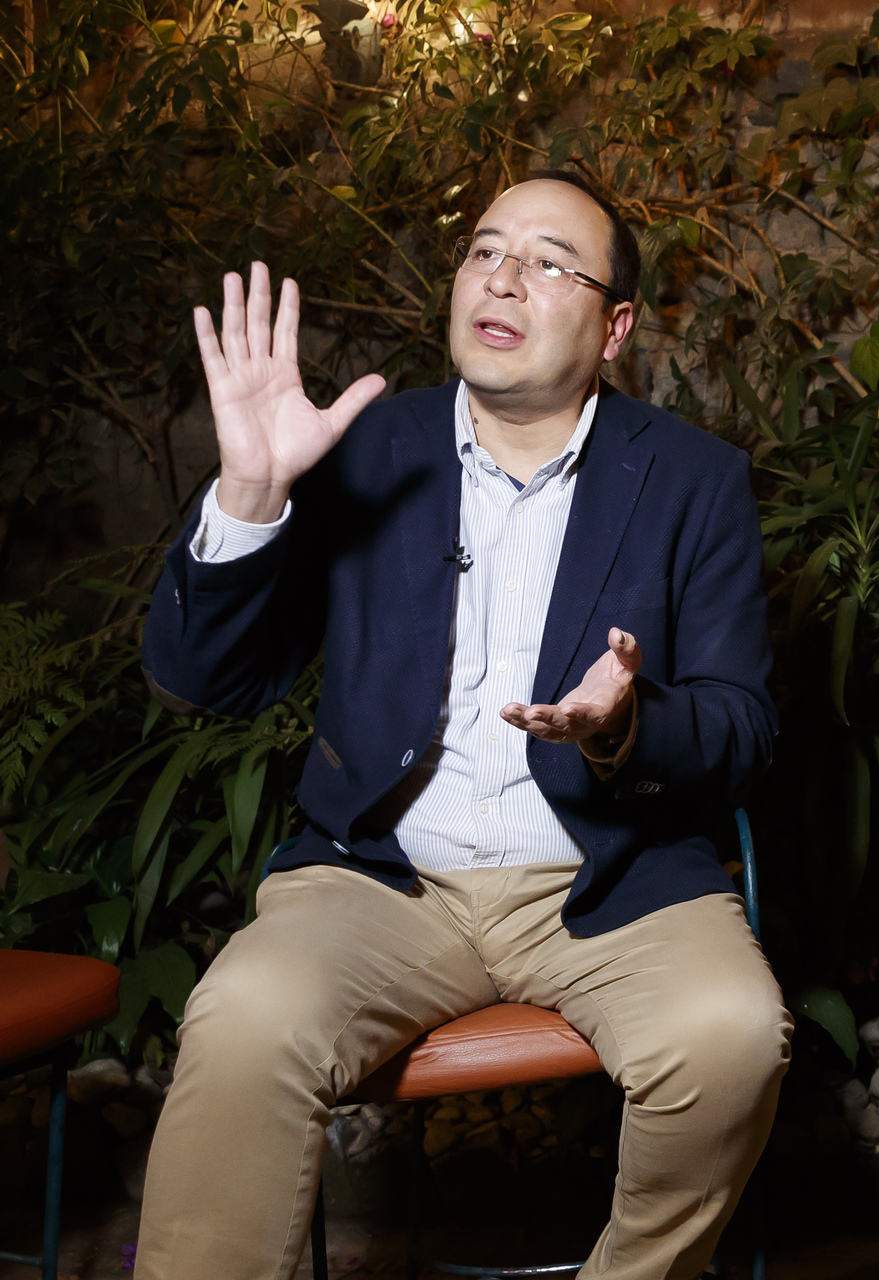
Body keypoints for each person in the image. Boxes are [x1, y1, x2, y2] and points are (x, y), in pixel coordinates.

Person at [135, 171, 789, 1280]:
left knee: (729, 1032)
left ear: (615, 326)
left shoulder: (693, 480)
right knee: (244, 1018)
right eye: (486, 250)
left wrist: (625, 725)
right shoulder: (362, 450)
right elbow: (203, 681)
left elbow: (743, 726)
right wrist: (249, 493)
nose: (503, 278)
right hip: (383, 881)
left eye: (548, 263)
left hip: (607, 879)